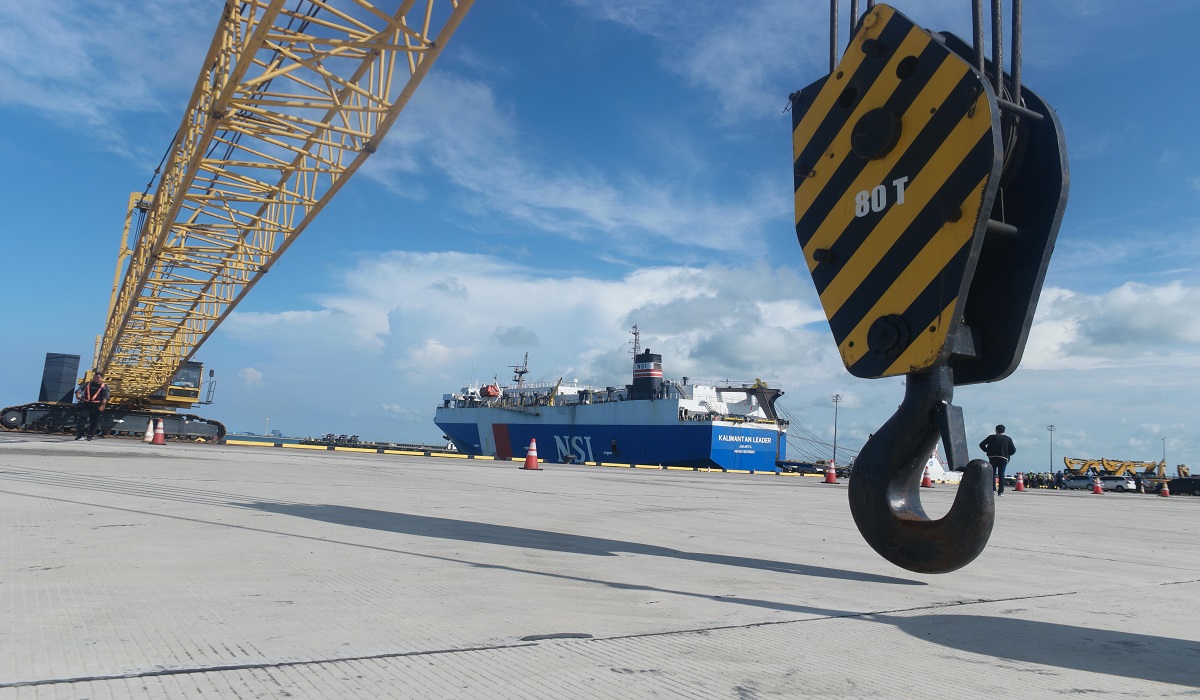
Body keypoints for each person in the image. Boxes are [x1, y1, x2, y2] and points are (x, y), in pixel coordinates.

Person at [979, 424, 1017, 496]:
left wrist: (987, 451)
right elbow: (1013, 450)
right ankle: (1001, 491)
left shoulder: (991, 437)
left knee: (992, 474)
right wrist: (1007, 454)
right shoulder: (1008, 439)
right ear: (1004, 431)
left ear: (996, 430)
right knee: (1001, 475)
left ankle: (993, 490)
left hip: (993, 457)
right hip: (1003, 458)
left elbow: (981, 444)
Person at [74, 371, 110, 441]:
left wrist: (103, 405)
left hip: (96, 405)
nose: (95, 378)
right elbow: (79, 389)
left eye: (97, 377)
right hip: (86, 404)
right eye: (95, 377)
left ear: (101, 378)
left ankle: (90, 435)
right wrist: (78, 394)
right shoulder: (88, 384)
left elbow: (106, 396)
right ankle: (80, 435)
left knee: (94, 421)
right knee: (82, 418)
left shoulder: (104, 387)